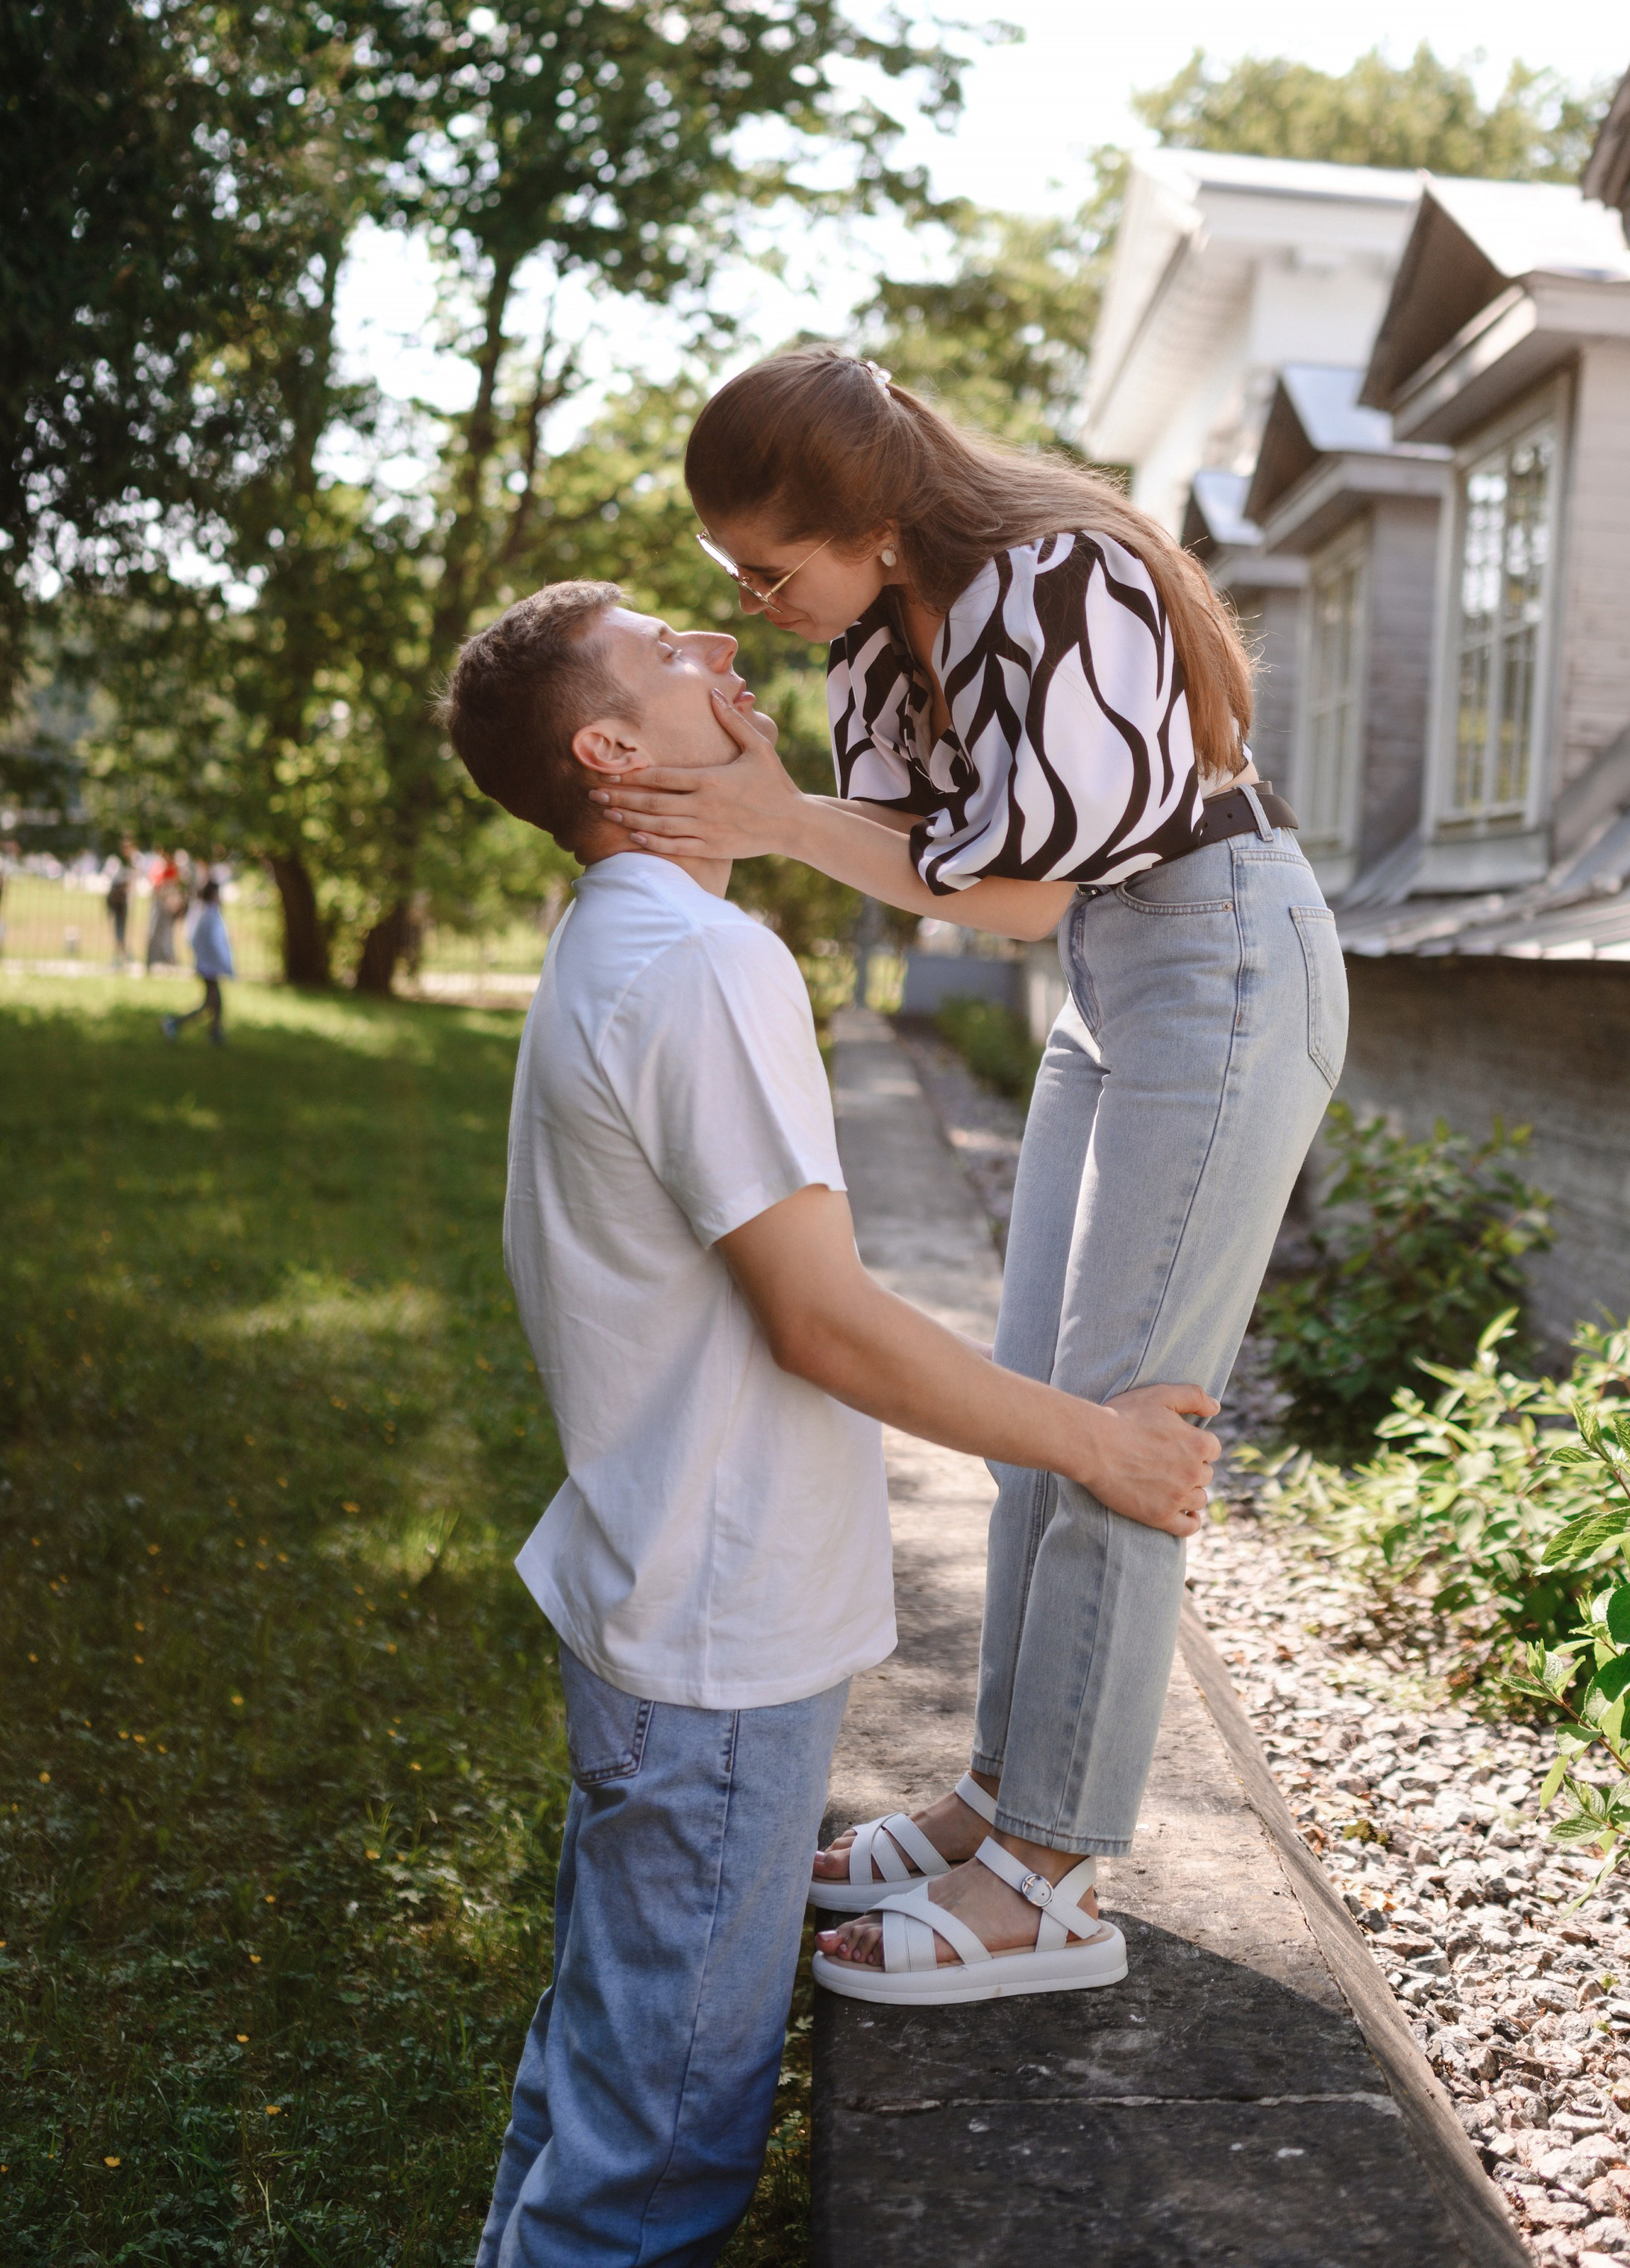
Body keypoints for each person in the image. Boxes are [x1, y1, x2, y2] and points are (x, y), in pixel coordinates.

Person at [437, 579, 1220, 2265]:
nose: (726, 652)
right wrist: (1097, 1444)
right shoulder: (702, 961)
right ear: (610, 746)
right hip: (716, 1640)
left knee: (594, 2079)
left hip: (660, 1602)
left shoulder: (620, 934)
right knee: (648, 2166)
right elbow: (820, 1314)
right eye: (672, 650)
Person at [589, 343, 1349, 2006]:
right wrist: (764, 818)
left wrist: (769, 817)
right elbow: (918, 868)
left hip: (1218, 964)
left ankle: (1054, 1880)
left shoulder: (1054, 580)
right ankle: (1004, 1797)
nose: (755, 603)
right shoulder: (875, 643)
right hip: (1110, 980)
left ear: (866, 517)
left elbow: (1005, 893)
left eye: (768, 569)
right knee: (1036, 1419)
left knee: (1122, 1432)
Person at [164, 878, 233, 1042]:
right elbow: (214, 944)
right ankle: (174, 1023)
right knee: (210, 1003)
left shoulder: (210, 914)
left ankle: (215, 1031)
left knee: (216, 1003)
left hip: (210, 966)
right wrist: (225, 965)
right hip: (209, 967)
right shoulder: (209, 916)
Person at [106, 858, 132, 970]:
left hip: (122, 908)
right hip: (118, 908)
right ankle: (121, 956)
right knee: (119, 932)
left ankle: (122, 956)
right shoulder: (118, 878)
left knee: (120, 932)